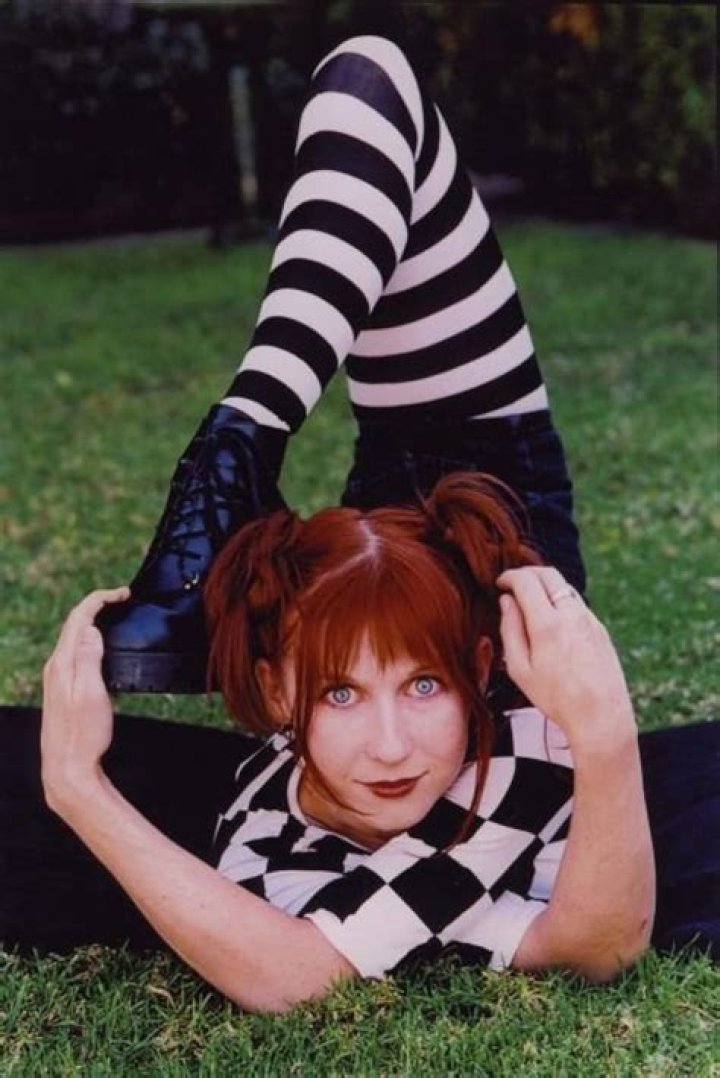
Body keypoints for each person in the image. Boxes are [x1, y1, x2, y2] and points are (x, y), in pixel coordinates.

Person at [1, 35, 717, 1011]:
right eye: (341, 694)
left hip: (408, 587)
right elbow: (595, 946)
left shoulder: (298, 835)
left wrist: (79, 788)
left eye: (416, 690)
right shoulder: (509, 753)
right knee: (373, 78)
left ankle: (240, 438)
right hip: (498, 577)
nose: (390, 747)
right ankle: (243, 457)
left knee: (367, 78)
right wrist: (599, 724)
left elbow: (293, 973)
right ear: (274, 688)